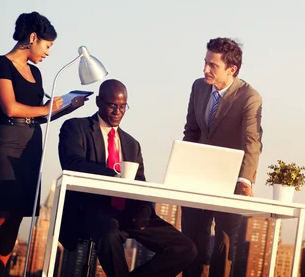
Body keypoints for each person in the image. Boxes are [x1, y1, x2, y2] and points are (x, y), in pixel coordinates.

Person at [58, 79, 196, 277]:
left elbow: (140, 182)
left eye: (123, 107)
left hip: (128, 212)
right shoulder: (75, 128)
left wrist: (145, 208)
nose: (118, 112)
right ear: (98, 102)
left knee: (185, 249)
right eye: (113, 105)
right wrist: (115, 177)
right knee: (110, 233)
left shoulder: (132, 144)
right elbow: (72, 163)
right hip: (91, 209)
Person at [0, 12, 63, 277]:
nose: (48, 53)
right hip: (6, 142)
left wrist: (63, 108)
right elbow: (9, 108)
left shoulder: (37, 74)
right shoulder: (0, 64)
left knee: (17, 214)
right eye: (47, 46)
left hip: (32, 145)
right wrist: (43, 108)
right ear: (33, 38)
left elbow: (37, 114)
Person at [181, 38, 263, 277]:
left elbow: (252, 142)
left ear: (231, 69)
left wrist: (244, 181)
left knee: (223, 247)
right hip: (196, 177)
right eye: (205, 62)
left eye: (212, 65)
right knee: (192, 244)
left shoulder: (249, 97)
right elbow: (191, 132)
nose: (205, 69)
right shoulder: (198, 87)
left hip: (230, 180)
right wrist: (183, 169)